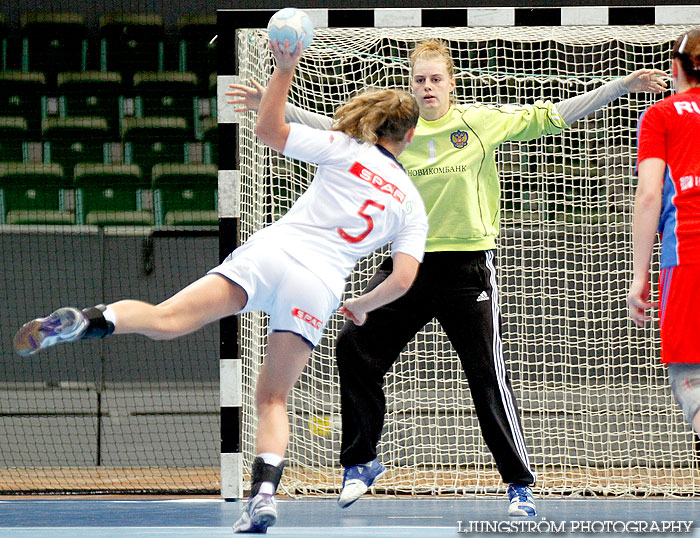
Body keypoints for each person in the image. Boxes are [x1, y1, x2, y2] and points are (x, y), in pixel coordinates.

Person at [227, 38, 666, 517]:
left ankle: (518, 484)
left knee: (487, 375)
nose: (428, 87)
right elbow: (333, 129)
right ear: (410, 87)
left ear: (452, 83)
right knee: (354, 346)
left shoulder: (479, 123)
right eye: (419, 79)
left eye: (436, 79)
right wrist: (271, 102)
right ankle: (361, 461)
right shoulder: (394, 131)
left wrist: (624, 84)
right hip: (407, 267)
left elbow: (555, 113)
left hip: (466, 270)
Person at [13, 38, 428, 534]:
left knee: (167, 320)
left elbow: (269, 131)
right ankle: (264, 497)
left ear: (374, 122)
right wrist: (361, 304)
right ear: (407, 136)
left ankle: (90, 321)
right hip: (318, 284)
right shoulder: (410, 202)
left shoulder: (345, 147)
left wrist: (286, 67)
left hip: (272, 255)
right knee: (273, 397)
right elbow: (403, 279)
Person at [629, 29, 700, 438]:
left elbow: (649, 194)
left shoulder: (662, 115)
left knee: (691, 381)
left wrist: (640, 276)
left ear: (675, 68)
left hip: (689, 254)